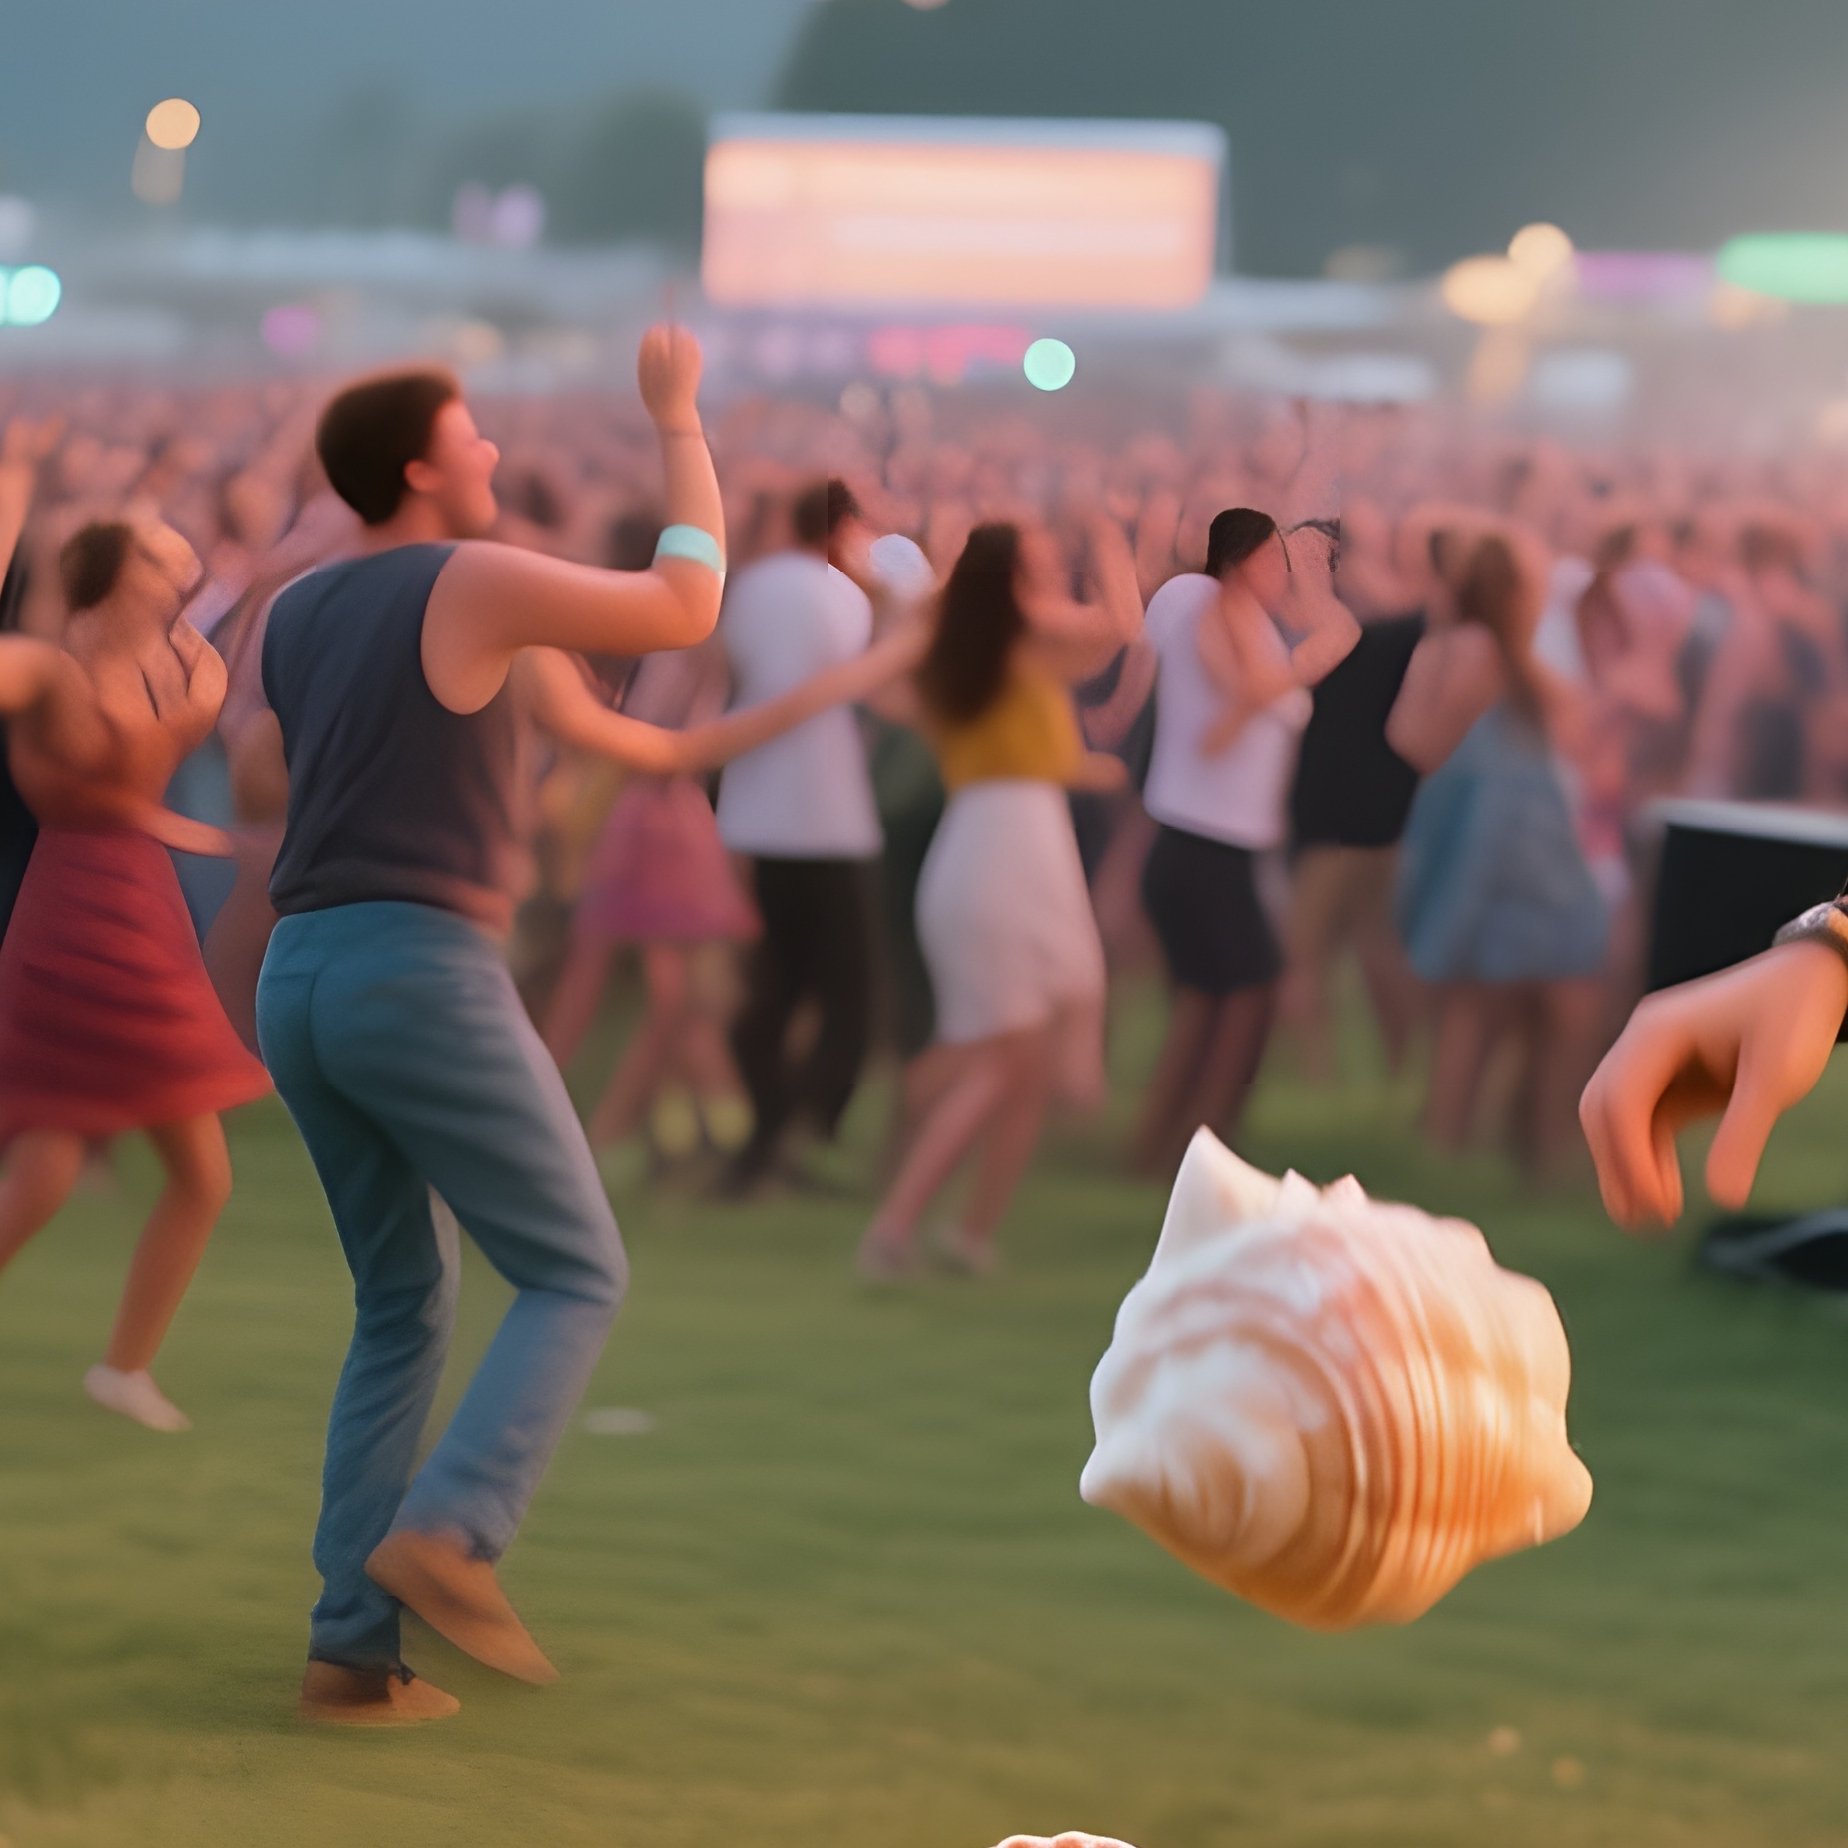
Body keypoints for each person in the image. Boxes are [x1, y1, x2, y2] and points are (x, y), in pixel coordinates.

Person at [246, 328, 725, 1727]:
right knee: (576, 1269)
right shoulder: (470, 577)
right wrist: (678, 419)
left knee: (402, 1305)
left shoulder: (296, 606)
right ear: (417, 467)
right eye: (472, 436)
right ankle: (454, 1531)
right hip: (418, 968)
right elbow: (685, 607)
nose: (496, 454)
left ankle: (352, 1650)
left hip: (303, 974)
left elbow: (291, 758)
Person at [0, 518, 270, 1433]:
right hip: (75, 911)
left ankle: (126, 1368)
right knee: (51, 1168)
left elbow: (206, 697)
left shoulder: (181, 664)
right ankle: (124, 1369)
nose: (184, 568)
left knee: (185, 1173)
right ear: (113, 570)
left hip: (141, 913)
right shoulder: (51, 666)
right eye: (162, 556)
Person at [856, 515, 1141, 1280]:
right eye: (1041, 567)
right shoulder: (1021, 640)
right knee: (1008, 1061)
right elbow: (1120, 627)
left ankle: (970, 1232)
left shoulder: (962, 653)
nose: (1050, 580)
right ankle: (894, 1224)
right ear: (1012, 581)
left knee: (1025, 1062)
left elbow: (911, 703)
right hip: (1005, 859)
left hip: (1007, 848)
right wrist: (1111, 533)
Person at [1131, 510, 1360, 1179]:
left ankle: (1179, 1144)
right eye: (1275, 561)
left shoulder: (1244, 620)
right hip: (1203, 843)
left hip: (1218, 842)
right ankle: (1198, 1147)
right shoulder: (1213, 608)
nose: (1283, 576)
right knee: (1239, 994)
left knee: (1219, 997)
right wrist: (1304, 661)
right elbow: (1248, 690)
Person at [1390, 529, 1608, 1174]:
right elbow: (1570, 725)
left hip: (1471, 838)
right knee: (1525, 1001)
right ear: (1513, 591)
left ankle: (1452, 1149)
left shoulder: (1443, 644)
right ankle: (1526, 1149)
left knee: (1477, 1005)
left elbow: (1405, 738)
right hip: (1513, 851)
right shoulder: (1496, 653)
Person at [713, 478, 885, 1195]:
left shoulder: (747, 588)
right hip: (828, 818)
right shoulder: (841, 594)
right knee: (851, 994)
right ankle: (805, 1125)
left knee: (773, 985)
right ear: (844, 529)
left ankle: (767, 1128)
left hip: (754, 811)